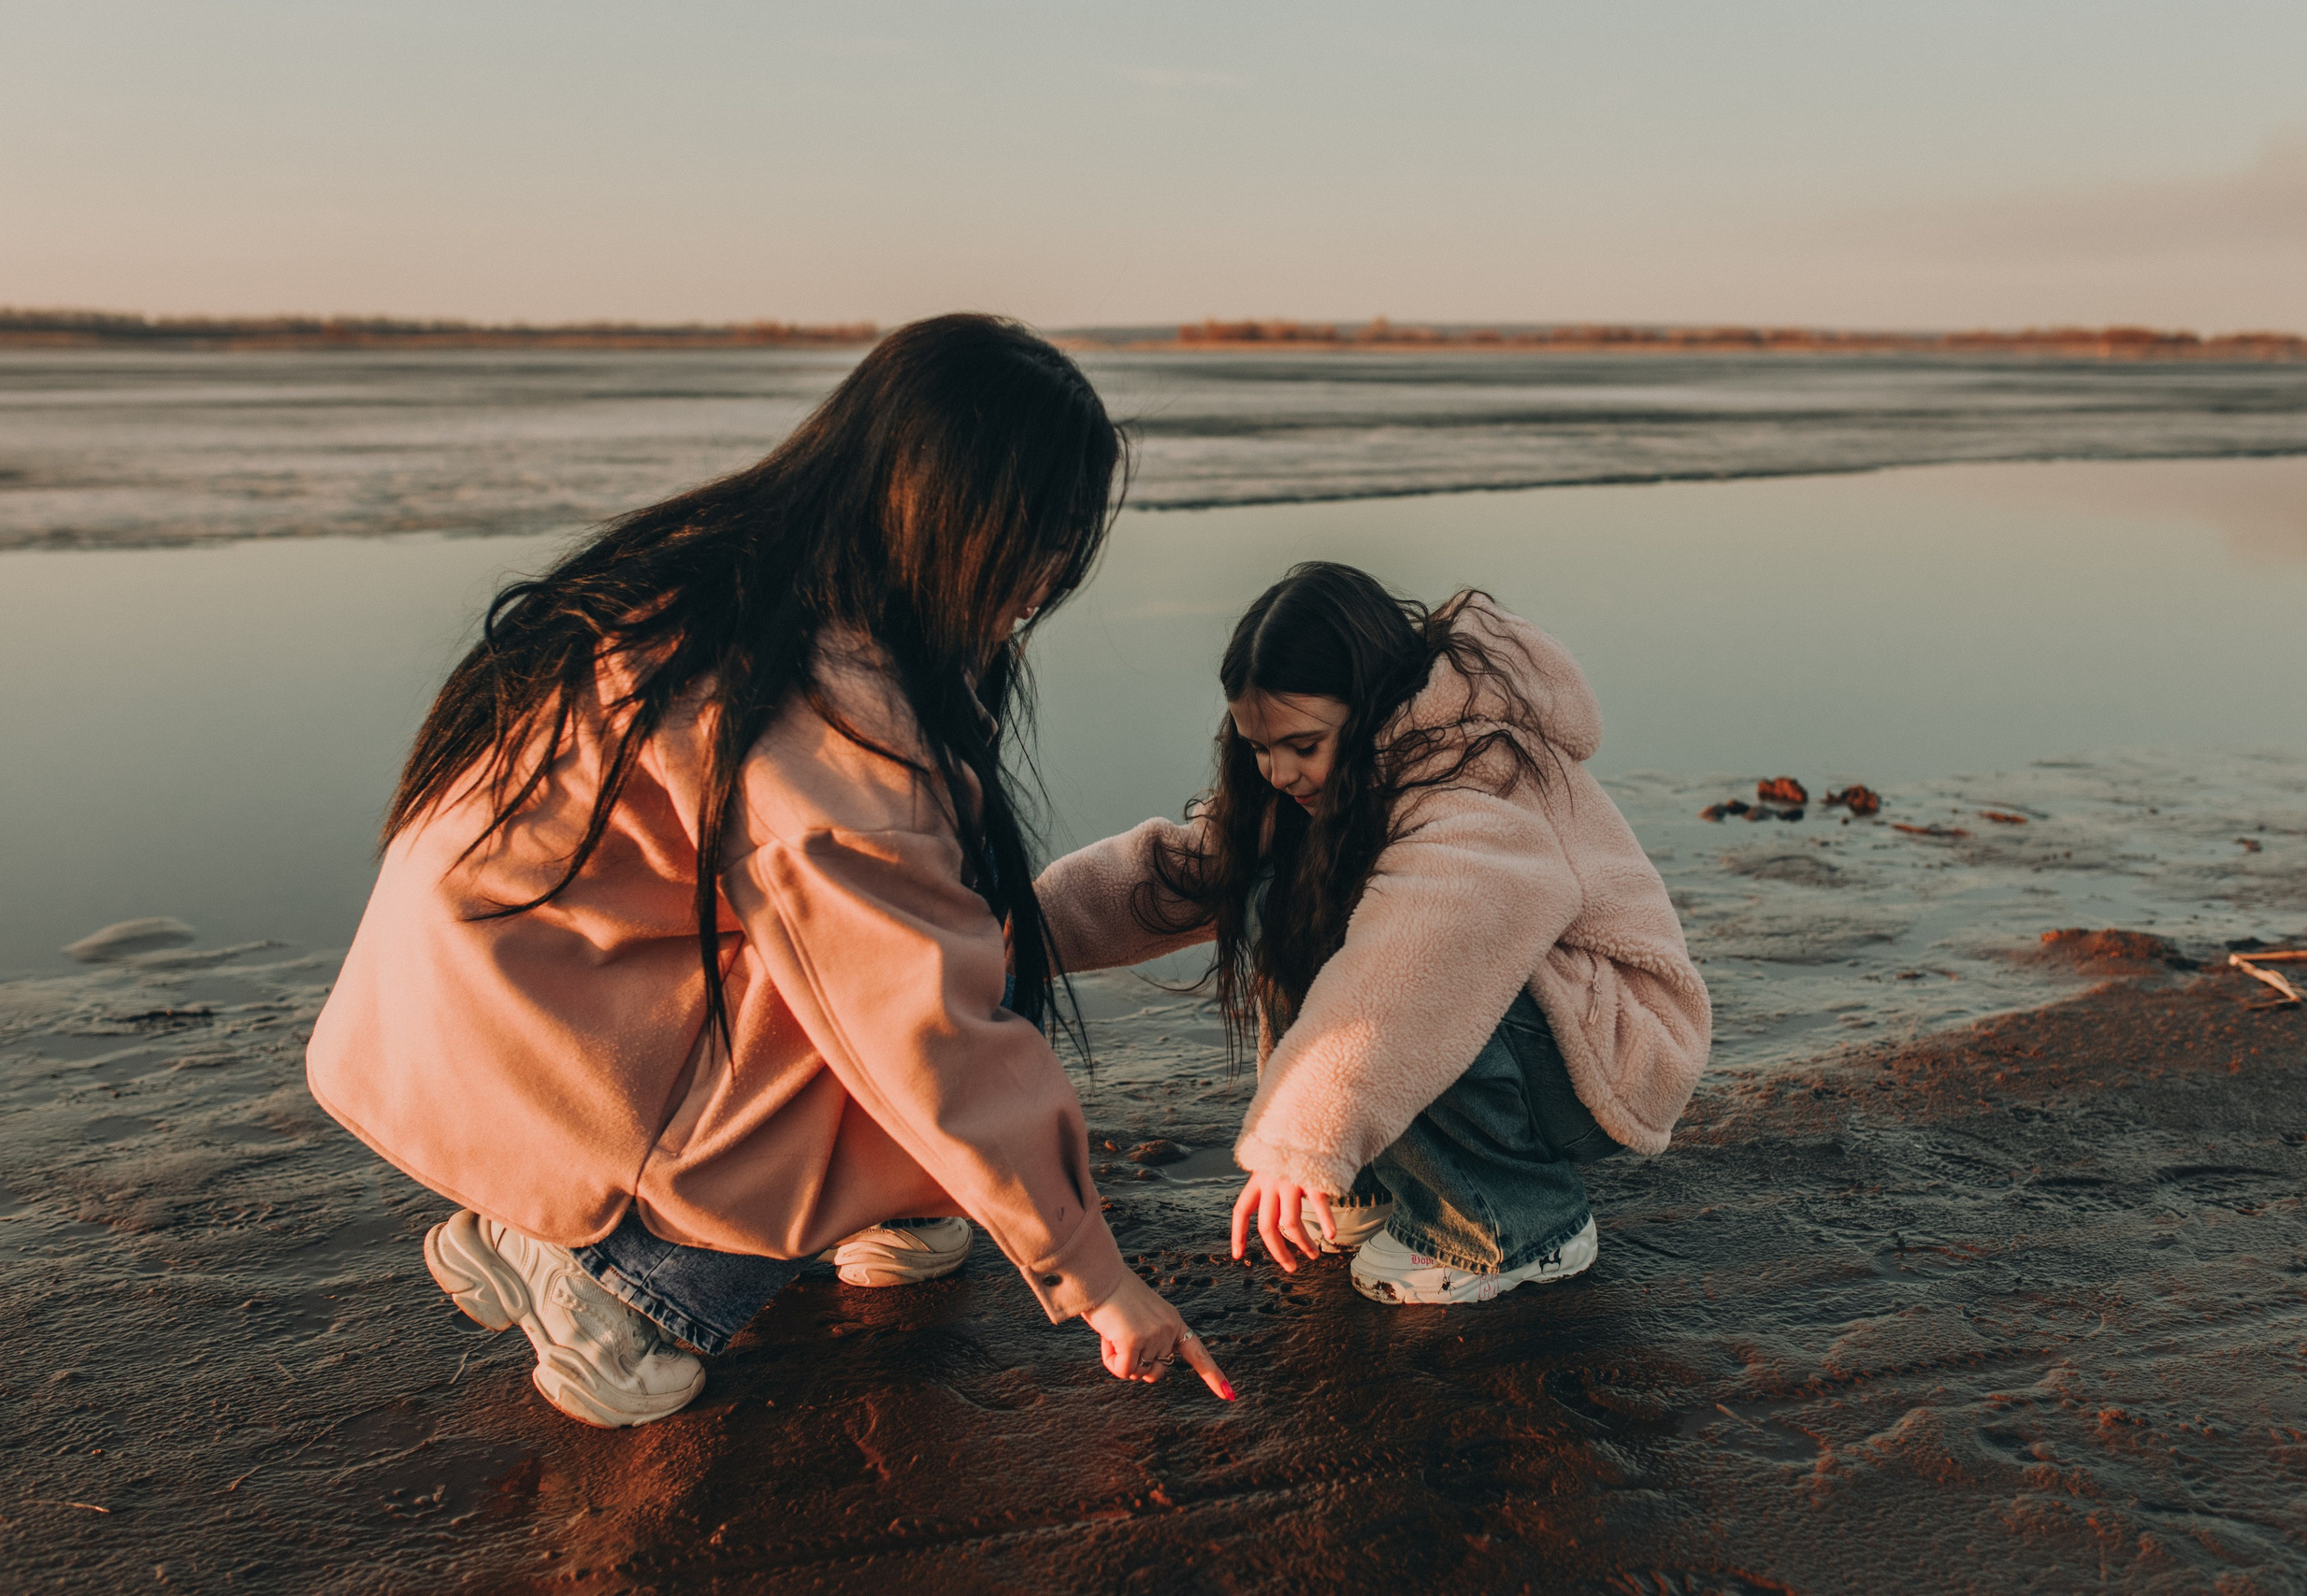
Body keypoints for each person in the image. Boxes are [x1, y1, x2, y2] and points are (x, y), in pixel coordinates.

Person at [307, 314, 1229, 1427]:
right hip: (545, 1045)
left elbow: (954, 914)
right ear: (964, 520)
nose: (1044, 583)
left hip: (479, 1006)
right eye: (1048, 539)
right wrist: (1099, 1280)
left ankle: (864, 1208)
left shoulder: (731, 572)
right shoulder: (826, 710)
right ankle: (616, 1288)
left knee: (914, 960)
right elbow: (921, 1026)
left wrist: (1216, 870)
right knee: (892, 1015)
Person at [1035, 562, 1709, 1305]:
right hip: (1515, 1020)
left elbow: (1410, 968)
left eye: (1302, 743)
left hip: (1609, 1057)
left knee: (1409, 956)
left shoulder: (1478, 778)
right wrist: (1018, 929)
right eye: (1260, 746)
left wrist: (1300, 1144)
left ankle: (1518, 1226)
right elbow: (1184, 869)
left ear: (1371, 698)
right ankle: (1376, 1180)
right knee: (1268, 888)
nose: (1278, 771)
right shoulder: (1336, 777)